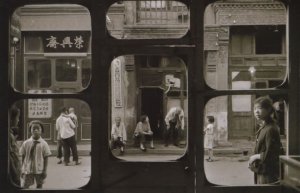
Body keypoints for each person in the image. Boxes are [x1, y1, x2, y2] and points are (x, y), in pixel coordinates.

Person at [248, 96, 282, 184]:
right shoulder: (264, 126)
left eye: (260, 108)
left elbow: (272, 154)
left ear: (268, 110)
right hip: (262, 170)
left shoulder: (271, 129)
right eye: (255, 108)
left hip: (268, 173)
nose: (256, 111)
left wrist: (255, 157)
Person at [19, 120, 51, 189]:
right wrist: (22, 169)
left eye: (38, 129)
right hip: (27, 169)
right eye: (33, 128)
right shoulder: (26, 143)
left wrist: (45, 170)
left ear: (41, 130)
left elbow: (46, 157)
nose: (36, 130)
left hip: (39, 169)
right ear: (30, 130)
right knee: (25, 185)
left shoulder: (44, 144)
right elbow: (23, 156)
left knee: (39, 185)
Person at [9, 106, 21, 187]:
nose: (18, 120)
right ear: (10, 119)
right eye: (17, 117)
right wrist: (15, 174)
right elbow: (9, 156)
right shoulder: (8, 135)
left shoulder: (10, 133)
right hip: (12, 172)